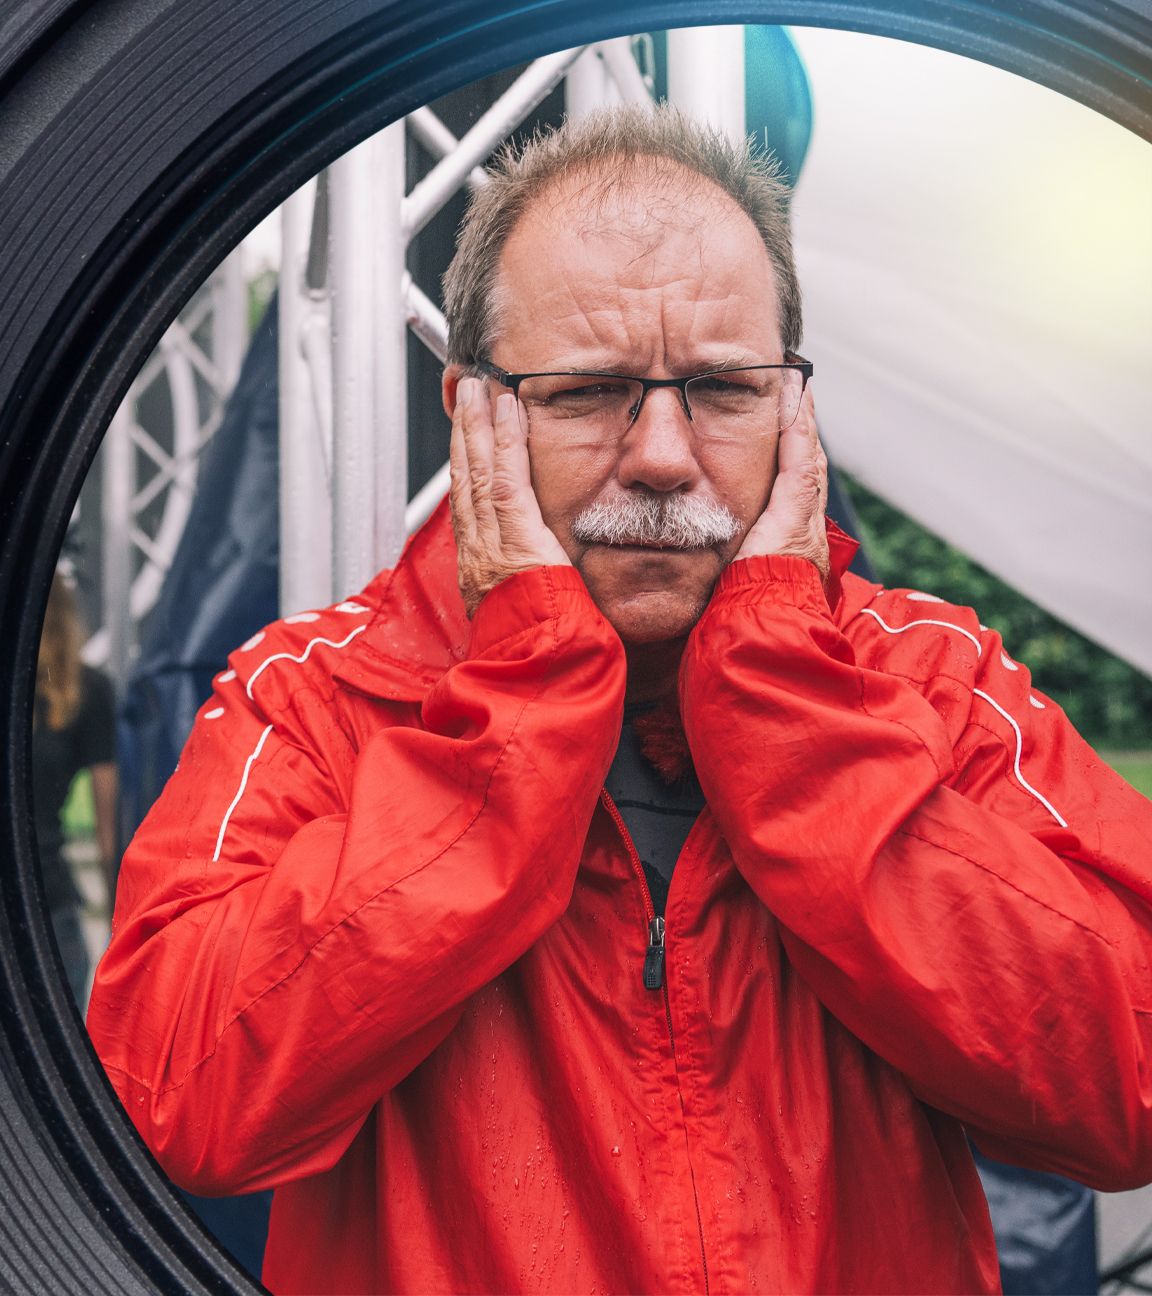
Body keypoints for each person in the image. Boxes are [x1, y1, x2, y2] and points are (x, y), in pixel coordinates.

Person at [88, 106, 1152, 1294]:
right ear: (473, 413)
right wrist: (524, 700)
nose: (659, 453)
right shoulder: (316, 693)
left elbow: (1129, 1092)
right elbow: (171, 1101)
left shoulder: (933, 680)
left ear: (794, 411)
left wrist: (784, 700)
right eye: (589, 393)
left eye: (720, 389)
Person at [34, 571, 117, 1007]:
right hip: (47, 901)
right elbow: (109, 831)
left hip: (45, 903)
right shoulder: (89, 690)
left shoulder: (90, 690)